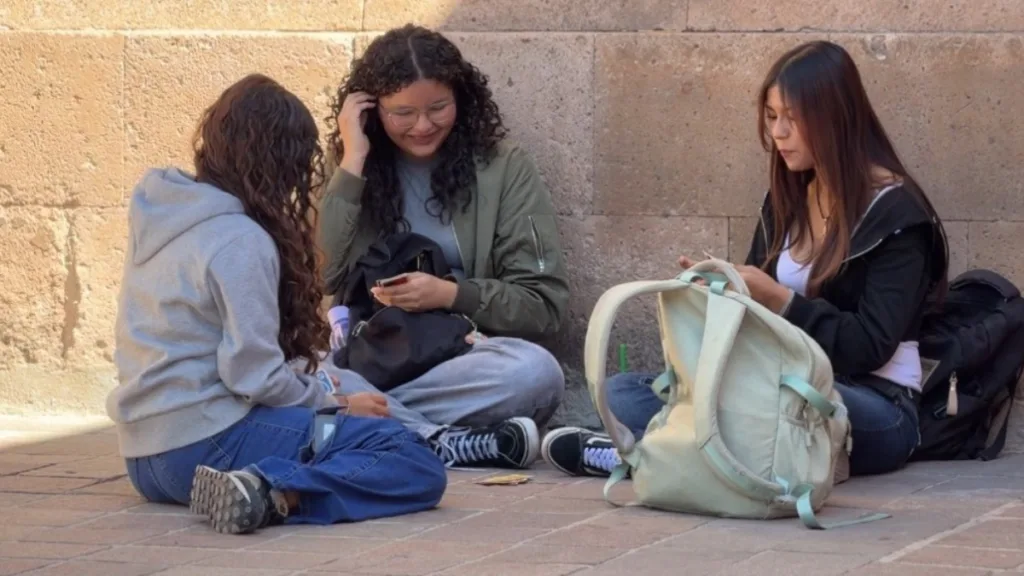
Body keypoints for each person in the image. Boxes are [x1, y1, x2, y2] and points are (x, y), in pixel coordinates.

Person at [542, 40, 948, 479]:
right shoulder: (788, 197)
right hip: (773, 382)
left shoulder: (898, 216)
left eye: (792, 117)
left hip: (876, 402)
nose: (778, 133)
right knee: (623, 391)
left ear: (835, 116)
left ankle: (641, 452)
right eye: (771, 116)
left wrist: (780, 300)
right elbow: (755, 321)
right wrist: (720, 292)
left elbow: (869, 345)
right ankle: (659, 452)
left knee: (770, 405)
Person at [106, 74, 448, 535]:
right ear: (280, 163)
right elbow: (254, 376)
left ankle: (259, 485)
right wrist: (336, 404)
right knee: (408, 456)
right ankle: (271, 492)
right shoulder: (239, 239)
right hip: (208, 445)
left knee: (349, 428)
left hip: (145, 461)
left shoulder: (166, 215)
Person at [318, 25, 569, 470]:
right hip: (366, 355)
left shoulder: (502, 168)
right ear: (372, 111)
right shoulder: (349, 166)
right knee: (304, 373)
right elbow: (322, 275)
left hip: (456, 358)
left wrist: (450, 294)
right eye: (402, 113)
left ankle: (369, 423)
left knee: (537, 373)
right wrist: (353, 159)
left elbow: (543, 304)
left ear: (461, 98)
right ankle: (438, 440)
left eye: (438, 108)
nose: (422, 126)